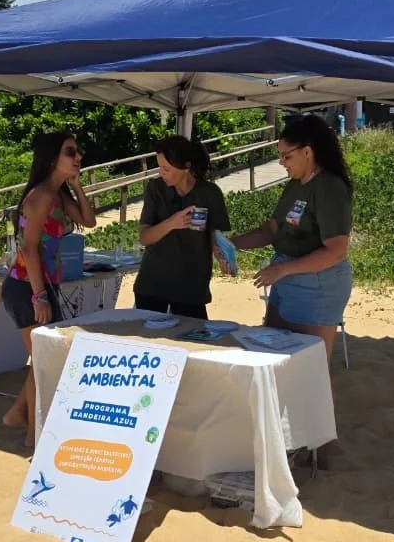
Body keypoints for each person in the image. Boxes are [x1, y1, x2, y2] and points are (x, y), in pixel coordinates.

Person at [0, 131, 97, 444]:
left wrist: (77, 186)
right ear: (52, 158)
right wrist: (39, 296)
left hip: (39, 286)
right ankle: (32, 434)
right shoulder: (41, 196)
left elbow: (89, 221)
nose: (78, 156)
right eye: (70, 152)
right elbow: (28, 249)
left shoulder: (57, 194)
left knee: (43, 359)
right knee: (43, 362)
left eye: (77, 151)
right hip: (26, 287)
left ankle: (18, 415)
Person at [231, 114, 353, 361]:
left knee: (307, 364)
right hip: (286, 277)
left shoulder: (329, 187)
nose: (282, 163)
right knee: (274, 355)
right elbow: (271, 230)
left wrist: (283, 269)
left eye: (286, 156)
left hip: (317, 285)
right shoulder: (295, 184)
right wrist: (231, 244)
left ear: (307, 152)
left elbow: (336, 251)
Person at [133, 135, 231, 319]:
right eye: (159, 167)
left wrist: (223, 254)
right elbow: (144, 237)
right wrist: (171, 223)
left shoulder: (209, 193)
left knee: (194, 335)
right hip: (152, 284)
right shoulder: (155, 189)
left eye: (166, 168)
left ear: (186, 166)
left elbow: (216, 236)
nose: (161, 173)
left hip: (191, 286)